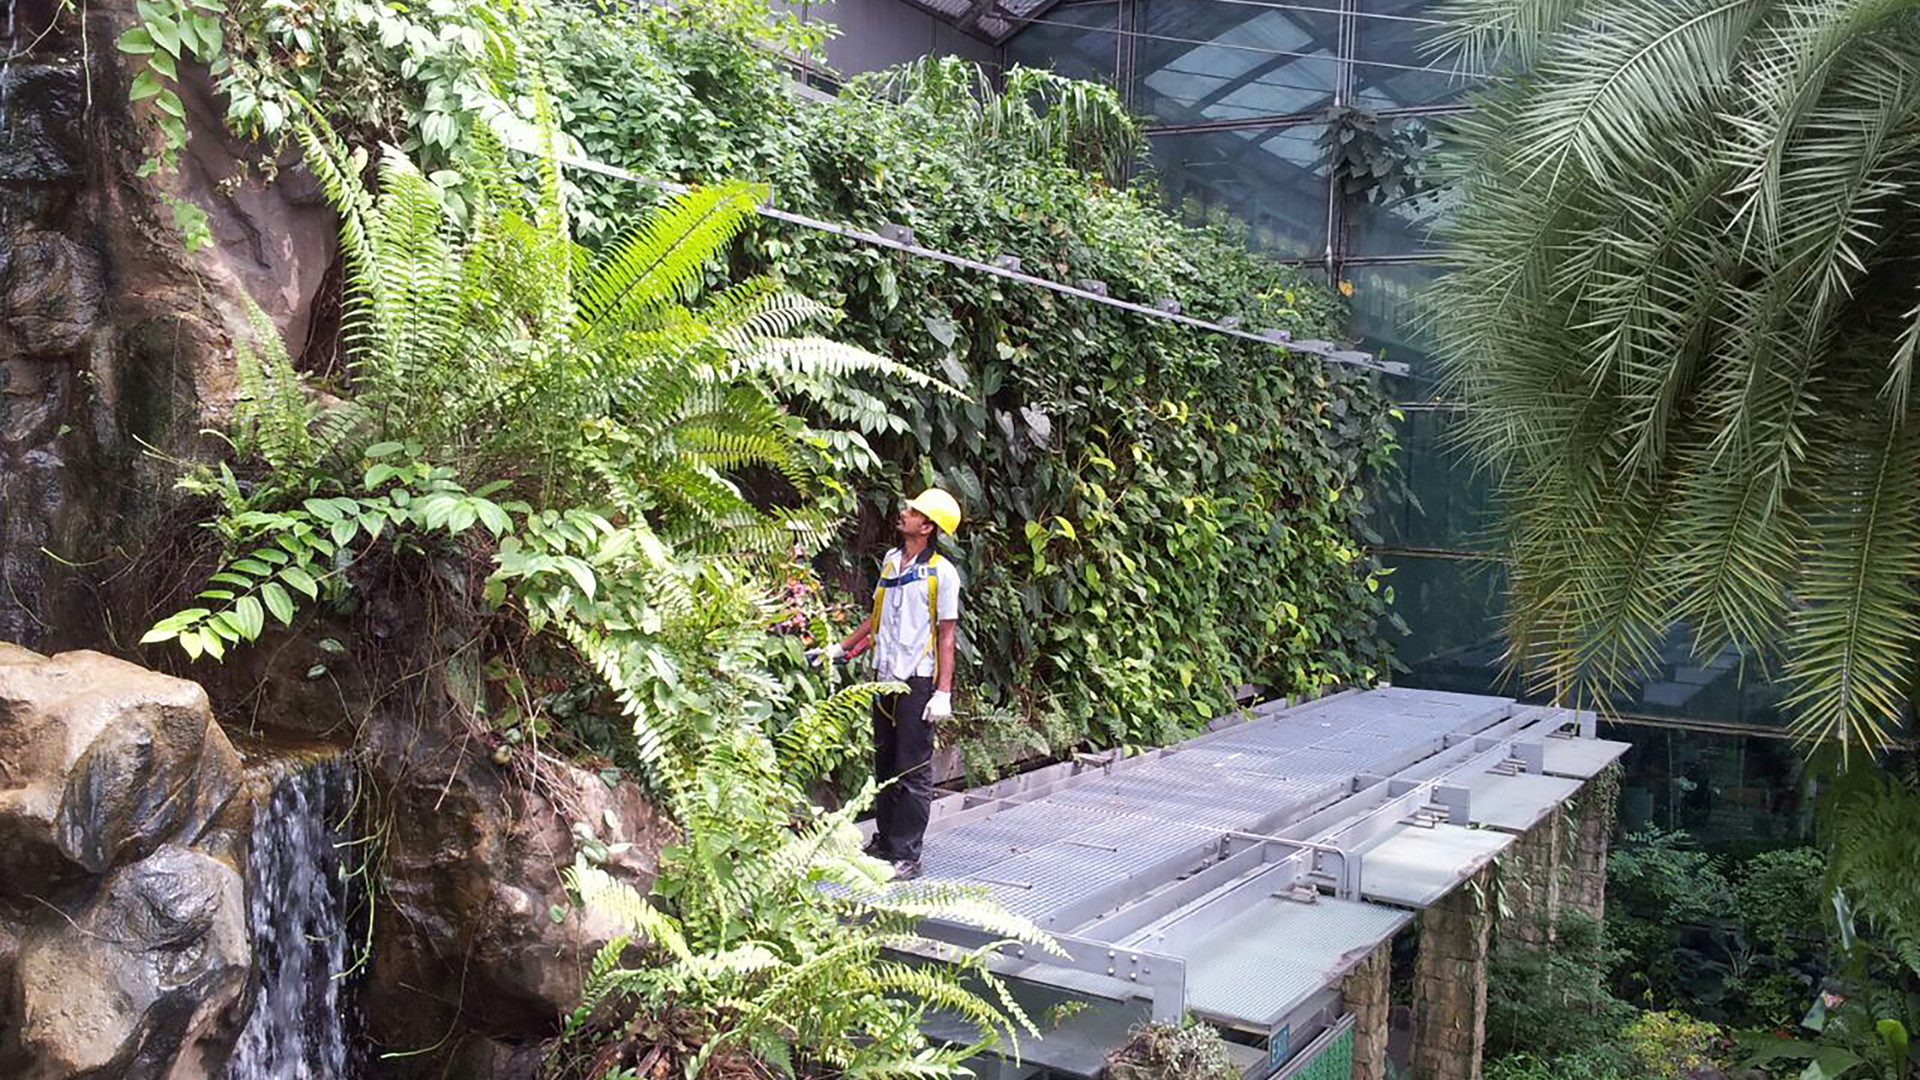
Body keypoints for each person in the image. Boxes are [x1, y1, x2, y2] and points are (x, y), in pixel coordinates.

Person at [812, 488, 963, 881]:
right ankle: (885, 840)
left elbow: (947, 636)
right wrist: (841, 649)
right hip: (884, 678)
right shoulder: (892, 562)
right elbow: (876, 617)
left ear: (927, 527)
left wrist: (943, 692)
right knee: (884, 762)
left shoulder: (942, 574)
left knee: (912, 769)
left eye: (913, 512)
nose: (904, 513)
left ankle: (907, 855)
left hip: (917, 682)